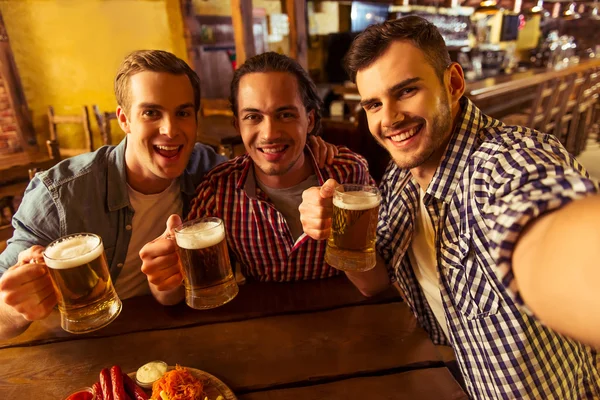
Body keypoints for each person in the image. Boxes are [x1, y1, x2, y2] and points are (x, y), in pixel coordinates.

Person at [299, 16, 600, 399]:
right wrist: (335, 231)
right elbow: (373, 281)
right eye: (374, 103)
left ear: (454, 83)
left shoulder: (503, 164)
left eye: (406, 91)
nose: (389, 119)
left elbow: (542, 221)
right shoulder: (400, 178)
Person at [0, 50, 333, 340]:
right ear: (124, 119)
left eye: (183, 113)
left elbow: (264, 159)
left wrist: (308, 145)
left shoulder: (209, 170)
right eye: (151, 113)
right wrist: (15, 310)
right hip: (79, 345)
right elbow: (4, 315)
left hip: (175, 330)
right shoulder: (59, 194)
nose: (170, 130)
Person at [140, 52, 374, 284]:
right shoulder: (217, 189)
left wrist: (344, 231)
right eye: (253, 116)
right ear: (237, 125)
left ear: (309, 120)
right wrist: (164, 277)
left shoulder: (350, 174)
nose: (270, 133)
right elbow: (187, 280)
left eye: (285, 114)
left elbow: (376, 284)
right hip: (260, 318)